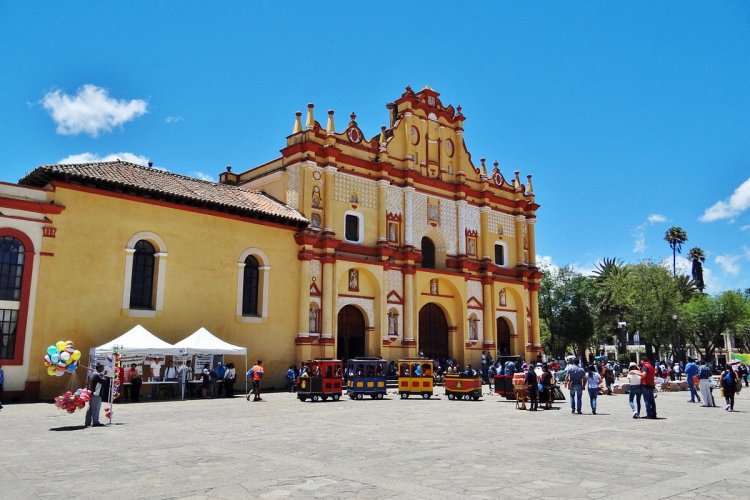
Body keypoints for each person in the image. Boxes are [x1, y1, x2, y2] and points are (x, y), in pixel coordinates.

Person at [85, 363, 109, 427]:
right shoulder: (97, 375)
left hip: (93, 393)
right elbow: (103, 381)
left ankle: (88, 422)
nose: (103, 369)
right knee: (95, 409)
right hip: (96, 394)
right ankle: (95, 422)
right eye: (102, 367)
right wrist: (105, 375)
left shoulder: (94, 374)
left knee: (90, 409)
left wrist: (103, 375)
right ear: (99, 368)